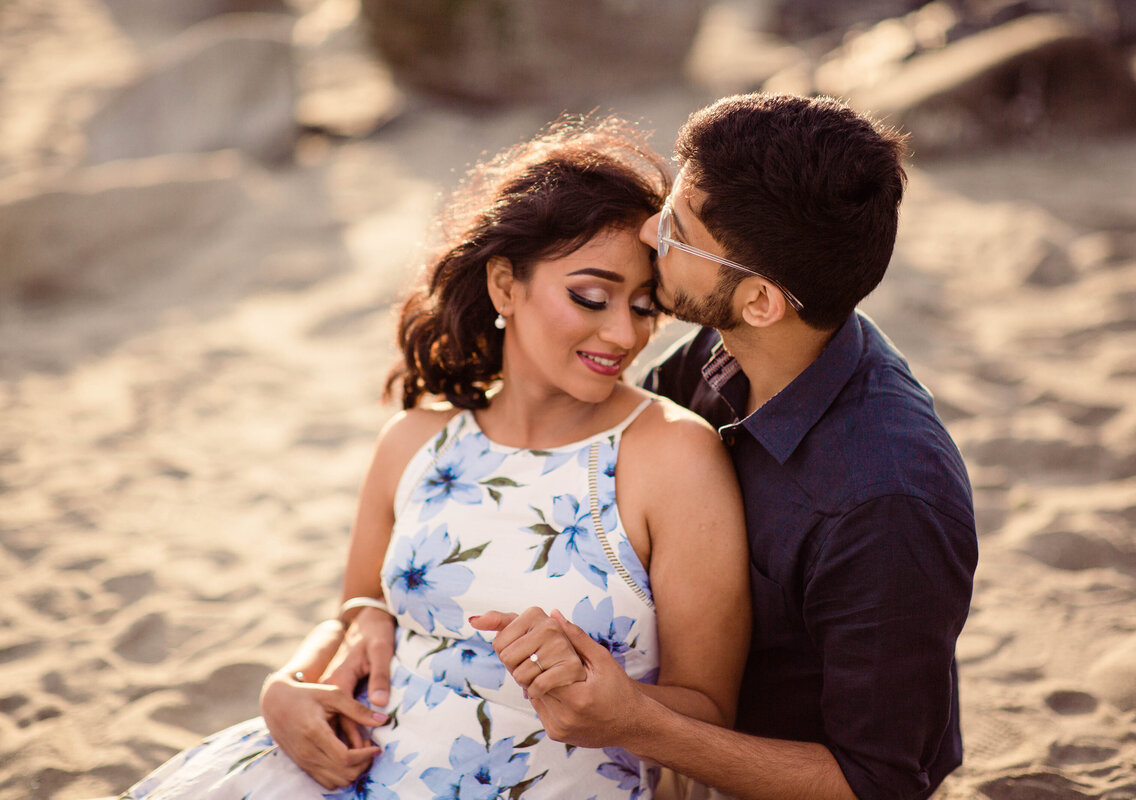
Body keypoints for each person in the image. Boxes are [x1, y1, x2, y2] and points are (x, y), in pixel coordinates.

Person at [119, 116, 751, 799]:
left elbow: (711, 713)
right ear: (505, 284)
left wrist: (613, 699)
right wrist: (286, 688)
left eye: (645, 305)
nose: (624, 333)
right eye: (590, 297)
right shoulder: (414, 443)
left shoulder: (673, 455)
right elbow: (359, 611)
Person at [477, 93, 979, 800]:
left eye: (677, 232)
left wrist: (638, 724)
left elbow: (878, 784)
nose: (650, 232)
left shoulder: (887, 503)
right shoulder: (722, 352)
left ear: (761, 302)